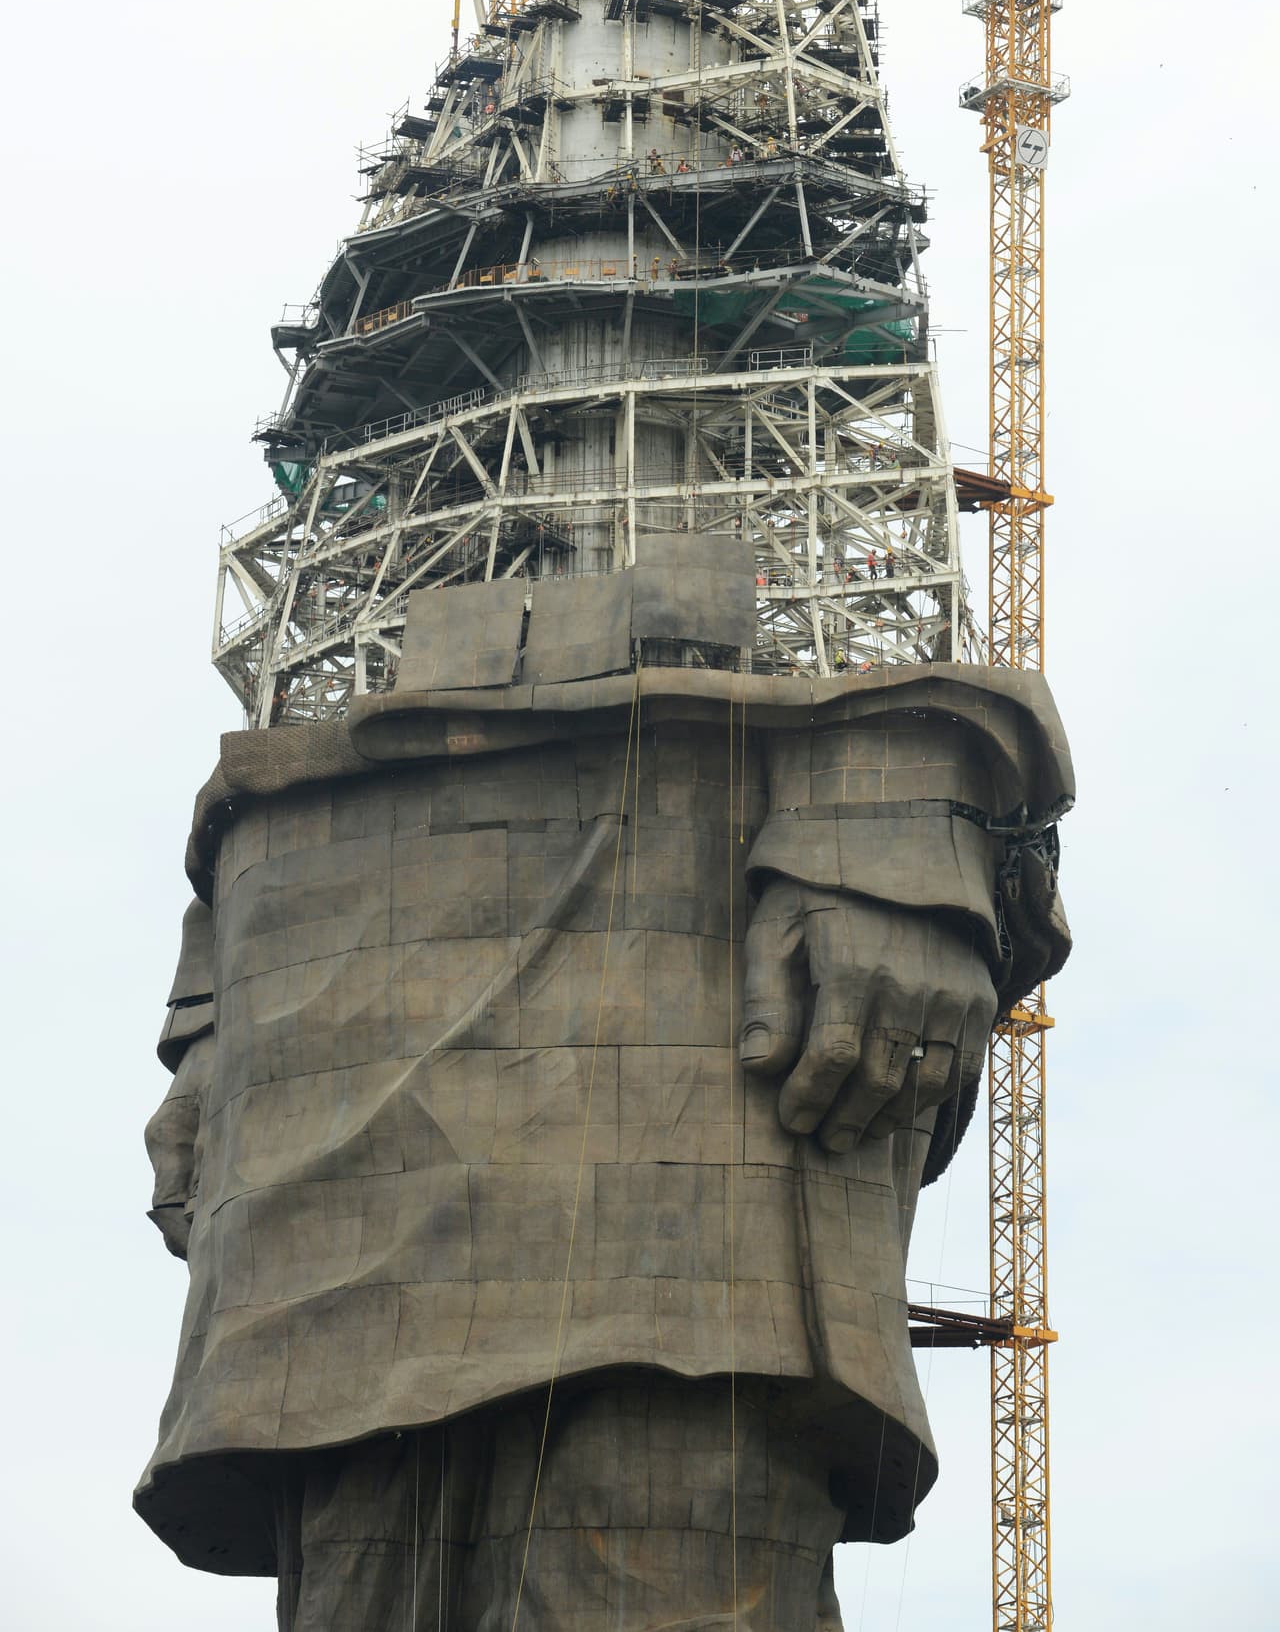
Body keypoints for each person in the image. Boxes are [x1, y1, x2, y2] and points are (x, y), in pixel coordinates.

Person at [138, 562, 1073, 1630]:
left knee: (660, 1494)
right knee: (363, 1551)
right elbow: (313, 628)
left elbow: (848, 527)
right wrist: (209, 1019)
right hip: (325, 942)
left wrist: (896, 809)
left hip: (690, 860)